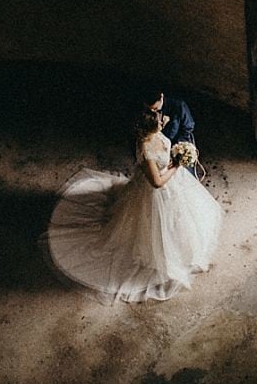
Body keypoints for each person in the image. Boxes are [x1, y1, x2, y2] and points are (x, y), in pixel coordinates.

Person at [43, 111, 224, 303]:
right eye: (160, 122)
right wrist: (177, 165)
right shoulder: (146, 149)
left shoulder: (154, 136)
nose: (163, 122)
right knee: (155, 227)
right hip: (157, 193)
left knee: (183, 219)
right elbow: (157, 182)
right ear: (151, 127)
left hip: (174, 183)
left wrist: (175, 155)